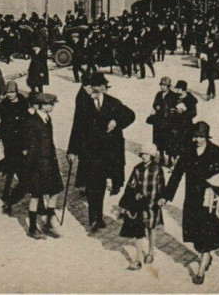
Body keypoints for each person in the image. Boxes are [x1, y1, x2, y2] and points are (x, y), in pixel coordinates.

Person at [161, 122, 219, 285]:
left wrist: (216, 183)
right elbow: (176, 175)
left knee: (206, 232)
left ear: (207, 137)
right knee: (195, 233)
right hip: (192, 198)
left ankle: (201, 268)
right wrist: (166, 195)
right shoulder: (187, 151)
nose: (197, 140)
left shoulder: (216, 152)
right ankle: (205, 256)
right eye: (195, 136)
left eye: (200, 137)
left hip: (209, 199)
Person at [67, 73, 136, 232]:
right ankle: (94, 218)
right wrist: (72, 150)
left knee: (102, 185)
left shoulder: (113, 103)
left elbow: (131, 115)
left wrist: (116, 122)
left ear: (104, 88)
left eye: (97, 87)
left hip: (109, 153)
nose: (93, 90)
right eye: (91, 87)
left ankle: (98, 216)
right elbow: (77, 127)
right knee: (93, 185)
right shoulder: (85, 104)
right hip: (90, 153)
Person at [21, 93, 64, 239]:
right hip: (38, 164)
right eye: (50, 104)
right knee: (36, 195)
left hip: (50, 162)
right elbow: (32, 146)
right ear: (41, 105)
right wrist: (31, 167)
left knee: (55, 190)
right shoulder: (32, 121)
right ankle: (32, 228)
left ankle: (48, 222)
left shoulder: (47, 118)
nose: (52, 107)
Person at [119, 142, 165, 270]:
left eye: (147, 154)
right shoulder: (137, 168)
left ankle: (151, 252)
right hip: (139, 205)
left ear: (152, 156)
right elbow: (130, 186)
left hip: (152, 204)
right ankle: (138, 259)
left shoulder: (157, 169)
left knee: (151, 228)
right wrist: (127, 202)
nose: (144, 156)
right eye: (143, 154)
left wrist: (162, 199)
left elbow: (161, 186)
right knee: (138, 230)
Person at [0, 81, 29, 214]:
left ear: (17, 92)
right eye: (8, 93)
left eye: (12, 92)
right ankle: (7, 196)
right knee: (10, 171)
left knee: (21, 171)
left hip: (21, 142)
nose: (10, 95)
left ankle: (11, 198)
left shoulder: (23, 103)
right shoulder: (3, 104)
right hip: (9, 142)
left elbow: (27, 123)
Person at [149, 77, 177, 165]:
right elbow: (155, 103)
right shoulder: (158, 94)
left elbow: (175, 106)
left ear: (168, 86)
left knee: (169, 140)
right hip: (159, 120)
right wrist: (156, 106)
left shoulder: (173, 95)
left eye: (164, 85)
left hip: (169, 121)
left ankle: (169, 159)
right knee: (159, 139)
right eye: (161, 85)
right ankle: (161, 156)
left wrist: (170, 111)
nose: (162, 87)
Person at [171, 80, 198, 160]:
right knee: (174, 143)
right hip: (175, 124)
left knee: (184, 143)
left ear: (183, 89)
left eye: (179, 89)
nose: (177, 90)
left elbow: (194, 112)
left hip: (186, 125)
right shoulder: (175, 97)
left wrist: (184, 113)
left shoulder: (190, 99)